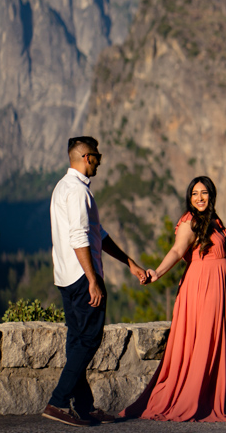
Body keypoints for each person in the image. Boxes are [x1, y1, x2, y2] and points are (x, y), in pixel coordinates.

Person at [42, 136, 149, 427]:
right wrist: (92, 280)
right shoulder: (77, 192)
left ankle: (85, 407)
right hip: (80, 277)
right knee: (89, 340)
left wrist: (130, 264)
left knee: (78, 342)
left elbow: (97, 235)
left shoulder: (63, 187)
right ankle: (58, 402)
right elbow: (79, 238)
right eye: (98, 157)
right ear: (86, 157)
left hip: (65, 277)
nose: (100, 161)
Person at [120, 175, 226, 422]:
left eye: (204, 193)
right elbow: (177, 250)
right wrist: (157, 272)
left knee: (214, 340)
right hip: (202, 288)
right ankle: (191, 399)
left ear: (211, 195)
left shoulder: (215, 222)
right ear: (189, 197)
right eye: (195, 193)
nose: (199, 198)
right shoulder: (189, 222)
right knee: (202, 341)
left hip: (218, 289)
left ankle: (207, 397)